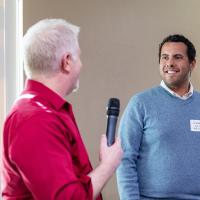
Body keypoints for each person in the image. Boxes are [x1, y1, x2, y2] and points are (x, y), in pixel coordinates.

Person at [1, 18, 123, 200]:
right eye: (78, 57)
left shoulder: (46, 111)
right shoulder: (35, 120)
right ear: (66, 61)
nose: (81, 64)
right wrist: (108, 165)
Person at [116, 34, 200, 200]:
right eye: (165, 57)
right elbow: (124, 159)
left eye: (178, 57)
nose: (170, 63)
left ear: (192, 64)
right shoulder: (141, 103)